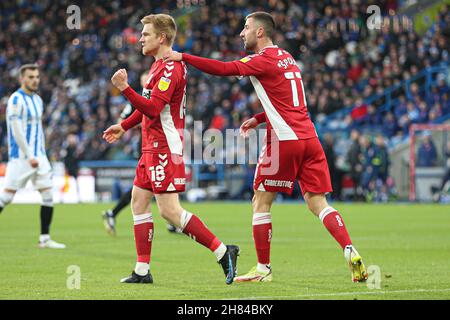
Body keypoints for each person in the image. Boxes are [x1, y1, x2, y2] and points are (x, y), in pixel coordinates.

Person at [164, 11, 367, 283]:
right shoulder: (288, 58)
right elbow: (291, 103)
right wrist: (260, 118)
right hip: (310, 138)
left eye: (245, 28)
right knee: (318, 202)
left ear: (260, 32)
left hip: (284, 140)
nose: (241, 33)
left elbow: (226, 69)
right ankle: (349, 248)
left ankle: (263, 269)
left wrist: (183, 57)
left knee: (261, 202)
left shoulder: (262, 60)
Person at [103, 14, 239, 284]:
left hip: (164, 147)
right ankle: (142, 270)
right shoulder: (156, 67)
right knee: (138, 202)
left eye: (146, 34)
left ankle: (224, 251)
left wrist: (125, 89)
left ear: (161, 38)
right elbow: (148, 110)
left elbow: (153, 109)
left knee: (169, 212)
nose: (140, 38)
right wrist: (124, 125)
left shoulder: (170, 69)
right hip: (150, 146)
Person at [102, 72, 181, 236]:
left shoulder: (159, 94)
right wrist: (129, 125)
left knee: (150, 186)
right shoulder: (136, 101)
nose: (147, 82)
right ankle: (173, 218)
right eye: (144, 80)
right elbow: (125, 119)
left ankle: (171, 219)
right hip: (149, 144)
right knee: (150, 185)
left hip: (157, 142)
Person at [0, 64, 65, 249]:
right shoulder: (15, 100)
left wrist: (41, 153)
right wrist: (29, 155)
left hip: (39, 156)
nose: (35, 80)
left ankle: (44, 238)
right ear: (22, 79)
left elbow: (37, 129)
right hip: (21, 157)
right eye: (30, 77)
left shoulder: (37, 99)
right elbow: (16, 130)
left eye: (36, 76)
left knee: (48, 194)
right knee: (6, 197)